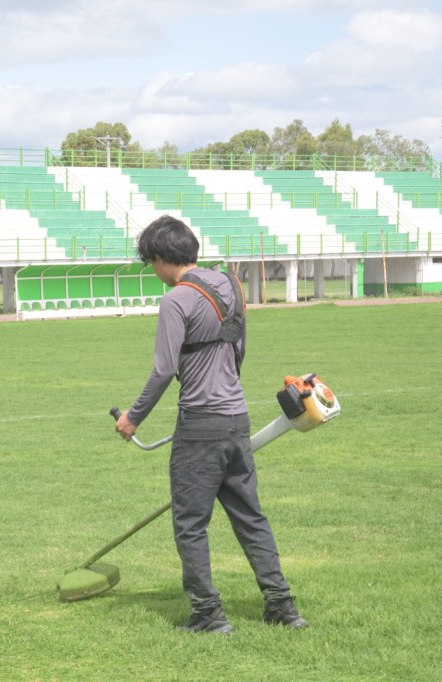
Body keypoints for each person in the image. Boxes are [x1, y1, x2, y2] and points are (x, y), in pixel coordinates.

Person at [114, 215, 307, 634]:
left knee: (190, 524)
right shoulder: (231, 285)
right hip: (237, 418)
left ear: (162, 258)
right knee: (250, 516)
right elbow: (239, 348)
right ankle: (283, 606)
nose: (154, 273)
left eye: (151, 264)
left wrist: (133, 418)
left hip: (200, 425)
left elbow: (164, 370)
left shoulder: (175, 300)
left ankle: (208, 613)